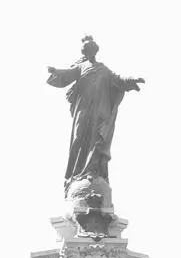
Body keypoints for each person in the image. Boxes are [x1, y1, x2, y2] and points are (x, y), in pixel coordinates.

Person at [47, 34, 144, 190]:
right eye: (86, 50)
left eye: (91, 49)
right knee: (78, 139)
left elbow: (118, 80)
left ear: (95, 51)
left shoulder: (104, 69)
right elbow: (66, 73)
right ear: (84, 53)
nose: (89, 52)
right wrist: (55, 71)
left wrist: (132, 80)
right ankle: (76, 174)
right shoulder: (81, 67)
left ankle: (93, 171)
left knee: (97, 140)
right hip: (84, 108)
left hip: (100, 110)